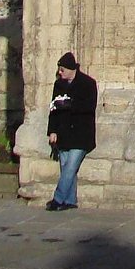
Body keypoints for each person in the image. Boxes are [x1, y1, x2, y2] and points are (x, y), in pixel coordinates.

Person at [45, 50, 98, 210]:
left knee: (70, 167)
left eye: (62, 70)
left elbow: (89, 106)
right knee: (66, 167)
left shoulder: (88, 83)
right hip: (64, 132)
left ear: (71, 69)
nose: (60, 73)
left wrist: (69, 104)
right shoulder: (58, 85)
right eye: (59, 70)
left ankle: (57, 198)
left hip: (81, 133)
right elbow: (53, 109)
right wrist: (52, 131)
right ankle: (70, 201)